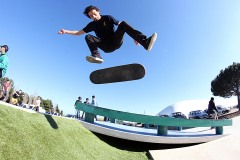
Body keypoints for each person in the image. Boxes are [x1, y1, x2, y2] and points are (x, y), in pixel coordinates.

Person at [58, 5, 157, 63]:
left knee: (123, 23)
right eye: (91, 16)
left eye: (94, 13)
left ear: (98, 11)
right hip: (105, 46)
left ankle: (145, 42)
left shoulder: (108, 18)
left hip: (115, 40)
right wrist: (66, 31)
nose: (93, 16)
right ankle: (97, 56)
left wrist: (135, 38)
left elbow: (122, 26)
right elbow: (79, 33)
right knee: (88, 36)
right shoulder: (91, 25)